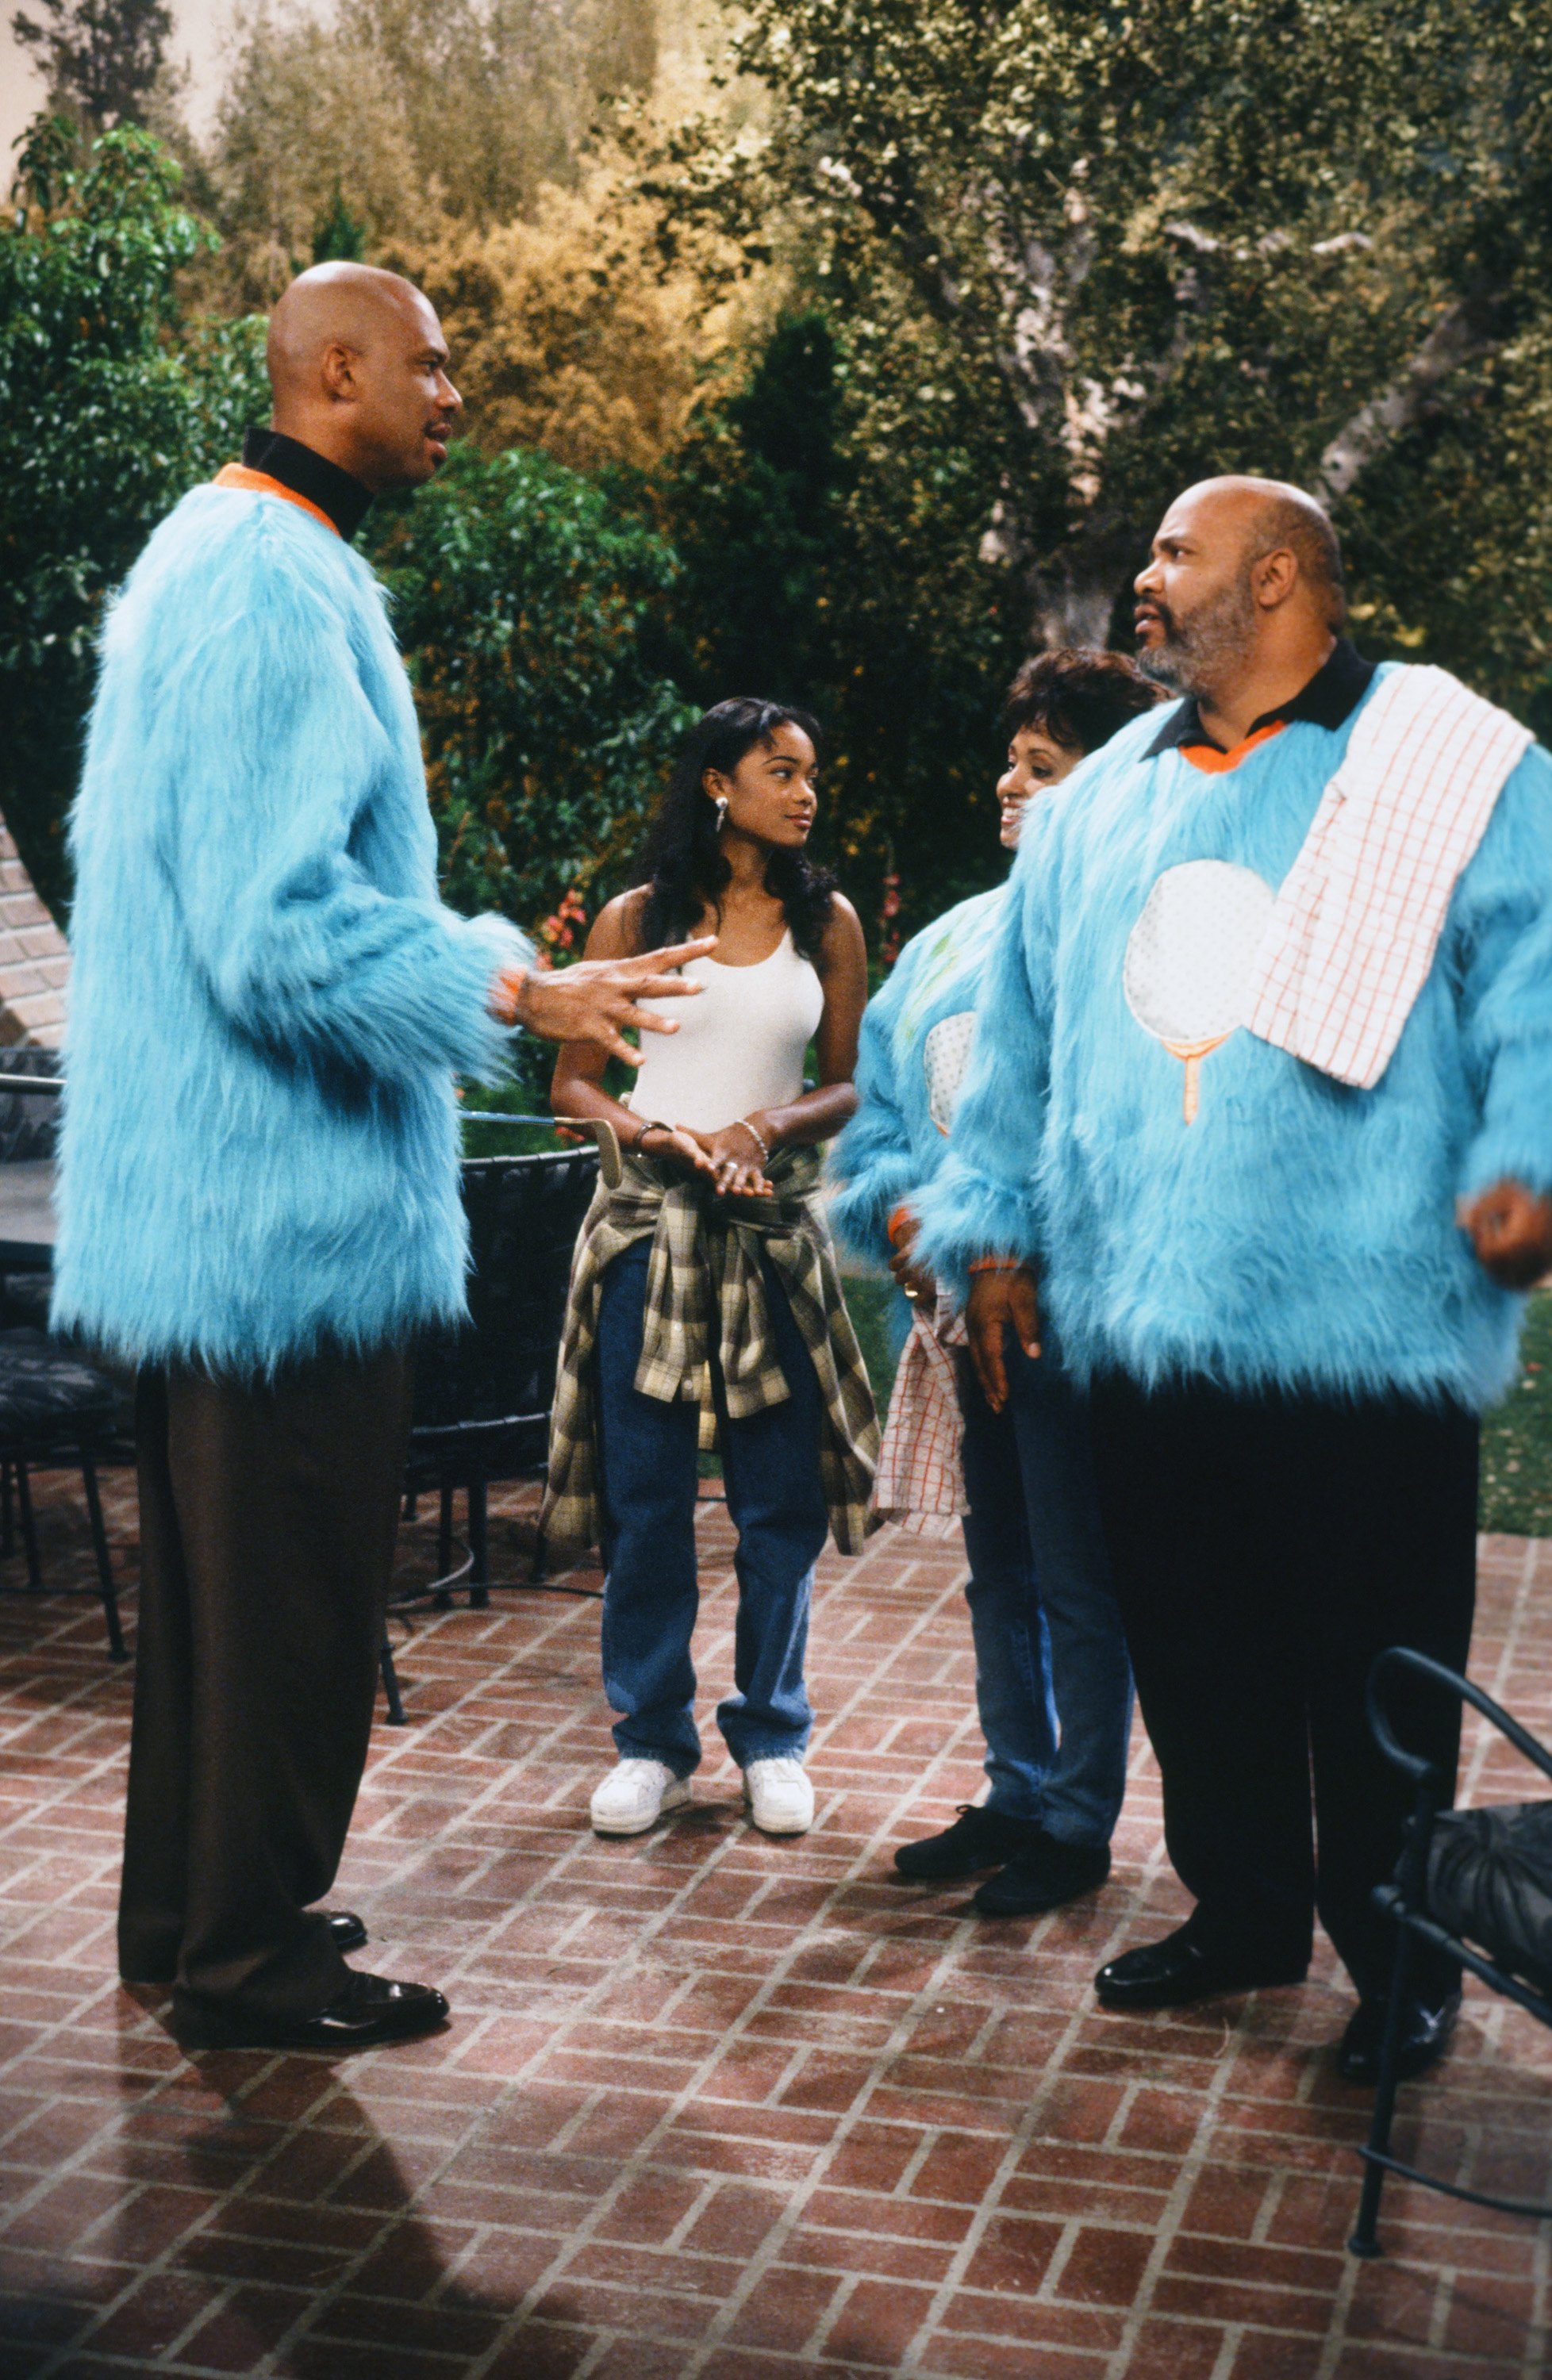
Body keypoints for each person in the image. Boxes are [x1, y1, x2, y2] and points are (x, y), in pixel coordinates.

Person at [55, 262, 714, 2053]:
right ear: (329, 370)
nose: (452, 394)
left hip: (210, 1208)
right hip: (287, 1210)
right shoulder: (271, 578)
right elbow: (278, 933)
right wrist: (520, 987)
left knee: (214, 1605)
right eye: (426, 365)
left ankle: (190, 1922)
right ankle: (250, 1966)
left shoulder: (214, 551)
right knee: (288, 1599)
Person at [917, 474, 1552, 2082]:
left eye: (1174, 553)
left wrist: (1531, 1161)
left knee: (1376, 1673)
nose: (1145, 578)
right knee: (1196, 1649)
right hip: (1142, 1320)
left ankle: (1403, 1953)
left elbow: (1541, 972)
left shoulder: (1444, 761)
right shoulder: (1103, 798)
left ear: (1278, 580)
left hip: (1365, 1329)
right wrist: (994, 1228)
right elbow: (1024, 1043)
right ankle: (1243, 1911)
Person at [829, 652, 1160, 1917]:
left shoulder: (1123, 934)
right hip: (962, 1306)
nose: (1008, 784)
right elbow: (887, 1101)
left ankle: (1079, 1819)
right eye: (1012, 760)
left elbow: (1101, 1127)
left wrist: (1004, 1239)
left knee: (1080, 1573)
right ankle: (1015, 1787)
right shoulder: (964, 931)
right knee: (1000, 1564)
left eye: (1043, 766)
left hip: (1070, 1309)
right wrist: (903, 1213)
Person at [547, 698, 877, 1841]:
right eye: (779, 771)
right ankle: (651, 1742)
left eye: (812, 776)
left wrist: (763, 1129)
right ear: (716, 785)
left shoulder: (825, 920)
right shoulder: (636, 917)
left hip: (771, 1235)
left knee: (776, 1501)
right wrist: (646, 1132)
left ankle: (773, 1734)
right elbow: (573, 1083)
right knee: (646, 1504)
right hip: (649, 1234)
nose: (805, 792)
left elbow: (847, 1084)